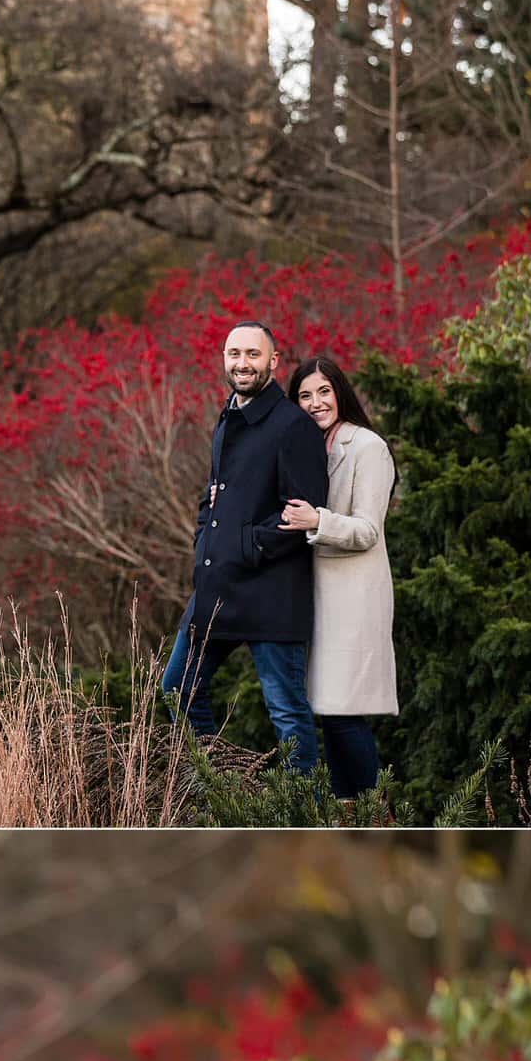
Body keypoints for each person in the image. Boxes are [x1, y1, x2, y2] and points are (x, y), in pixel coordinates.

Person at [161, 321, 331, 773]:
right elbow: (211, 494)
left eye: (253, 355)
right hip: (217, 588)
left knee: (288, 715)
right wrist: (204, 543)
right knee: (178, 690)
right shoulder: (228, 415)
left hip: (272, 593)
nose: (242, 363)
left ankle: (305, 816)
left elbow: (305, 510)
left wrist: (247, 546)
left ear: (273, 362)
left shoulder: (293, 426)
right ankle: (226, 795)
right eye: (234, 353)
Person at [281, 357, 398, 799]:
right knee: (329, 712)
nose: (315, 403)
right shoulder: (306, 449)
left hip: (353, 602)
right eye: (305, 396)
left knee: (343, 712)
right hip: (314, 602)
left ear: (340, 393)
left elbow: (368, 529)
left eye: (323, 392)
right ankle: (348, 810)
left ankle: (375, 810)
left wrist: (317, 520)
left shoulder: (368, 447)